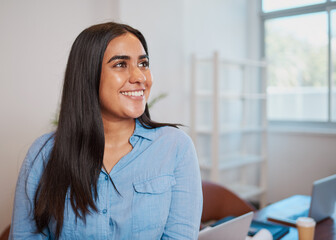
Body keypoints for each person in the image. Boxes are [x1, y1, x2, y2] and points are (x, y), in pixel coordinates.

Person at [9, 22, 203, 239]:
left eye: (143, 63)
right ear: (87, 75)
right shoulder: (43, 154)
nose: (140, 77)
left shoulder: (176, 147)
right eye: (120, 64)